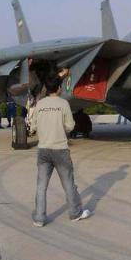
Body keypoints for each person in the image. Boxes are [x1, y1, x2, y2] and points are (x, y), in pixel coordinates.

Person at [29, 76, 91, 227]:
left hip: (43, 150)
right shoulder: (63, 104)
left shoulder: (40, 104)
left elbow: (33, 126)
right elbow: (70, 126)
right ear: (58, 88)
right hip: (60, 150)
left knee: (41, 186)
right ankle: (75, 213)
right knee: (68, 184)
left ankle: (39, 218)